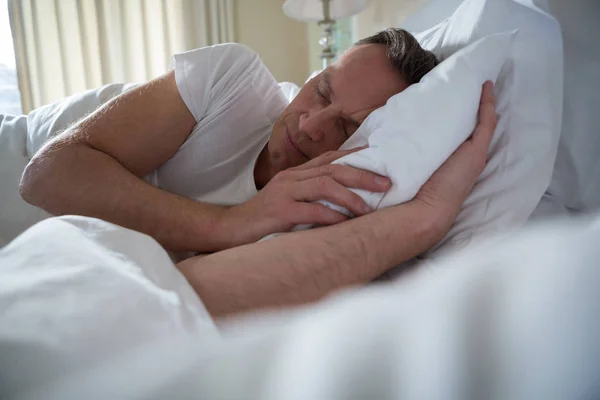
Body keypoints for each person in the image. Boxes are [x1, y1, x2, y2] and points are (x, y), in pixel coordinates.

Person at [19, 28, 498, 316]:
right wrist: (227, 224)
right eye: (323, 93)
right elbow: (44, 174)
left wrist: (430, 213)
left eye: (346, 126)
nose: (310, 125)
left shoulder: (336, 205)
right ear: (316, 73)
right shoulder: (231, 80)